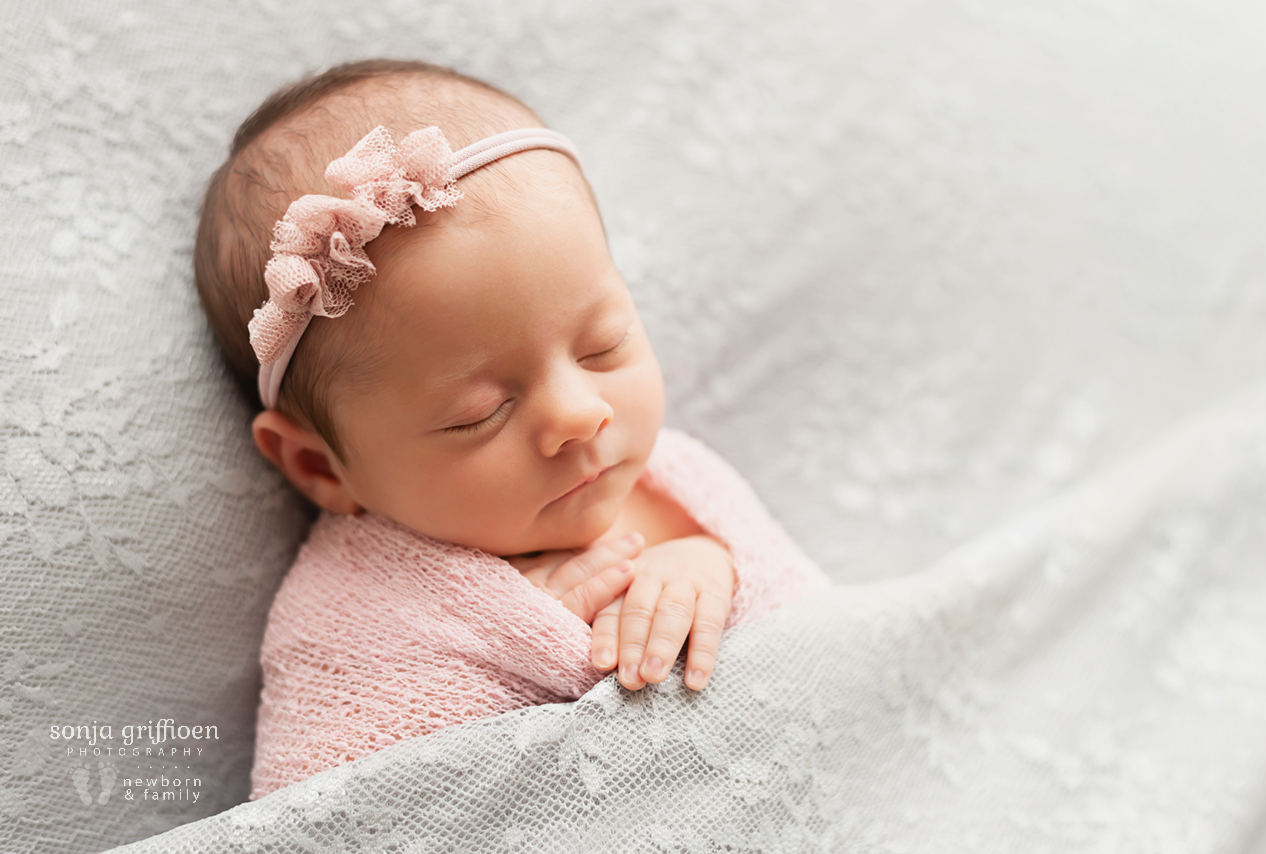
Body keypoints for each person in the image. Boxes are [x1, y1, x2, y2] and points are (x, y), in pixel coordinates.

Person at [194, 59, 831, 799]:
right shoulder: (353, 619)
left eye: (604, 344)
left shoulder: (684, 486)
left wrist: (712, 573)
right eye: (480, 412)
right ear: (320, 467)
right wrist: (533, 657)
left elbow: (823, 636)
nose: (580, 414)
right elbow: (337, 809)